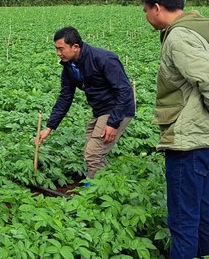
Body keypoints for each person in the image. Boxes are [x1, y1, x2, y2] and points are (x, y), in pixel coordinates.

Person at [141, 0, 209, 258]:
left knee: (182, 221)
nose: (145, 16)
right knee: (202, 209)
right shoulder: (198, 31)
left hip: (188, 141)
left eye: (145, 10)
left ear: (157, 8)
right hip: (203, 139)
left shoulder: (180, 38)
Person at [37, 26, 135, 179]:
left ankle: (96, 191)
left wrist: (113, 123)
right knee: (91, 153)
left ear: (75, 47)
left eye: (61, 49)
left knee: (93, 153)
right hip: (100, 110)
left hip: (117, 109)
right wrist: (49, 127)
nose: (58, 53)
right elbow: (65, 97)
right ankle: (98, 185)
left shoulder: (104, 59)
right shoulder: (69, 66)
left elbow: (125, 91)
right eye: (56, 49)